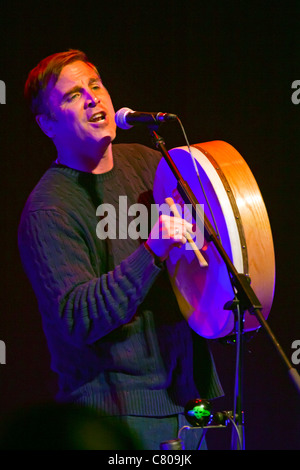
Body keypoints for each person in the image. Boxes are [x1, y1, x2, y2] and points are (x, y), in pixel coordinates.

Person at [18, 49, 223, 450]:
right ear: (47, 125)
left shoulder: (150, 164)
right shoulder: (50, 208)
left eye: (95, 85)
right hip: (116, 417)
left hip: (191, 404)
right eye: (73, 95)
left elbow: (203, 259)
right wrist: (153, 249)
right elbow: (77, 318)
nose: (93, 98)